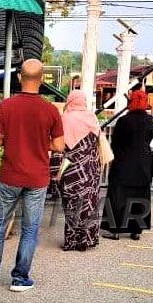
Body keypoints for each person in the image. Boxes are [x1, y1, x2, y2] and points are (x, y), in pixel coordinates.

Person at [0, 59, 65, 293]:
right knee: (30, 228)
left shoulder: (6, 106)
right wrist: (39, 141)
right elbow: (59, 145)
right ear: (43, 78)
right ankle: (19, 278)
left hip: (10, 176)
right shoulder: (50, 110)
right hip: (37, 178)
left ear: (19, 78)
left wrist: (12, 139)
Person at [102, 90, 153, 241]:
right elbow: (151, 138)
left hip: (123, 163)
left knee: (118, 196)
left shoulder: (123, 121)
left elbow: (116, 143)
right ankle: (136, 230)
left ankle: (115, 230)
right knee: (140, 196)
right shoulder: (150, 120)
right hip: (143, 164)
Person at [57, 90, 101, 252]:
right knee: (89, 204)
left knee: (71, 203)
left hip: (72, 168)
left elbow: (59, 146)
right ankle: (86, 240)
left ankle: (72, 241)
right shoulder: (92, 117)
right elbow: (97, 142)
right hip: (91, 168)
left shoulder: (65, 118)